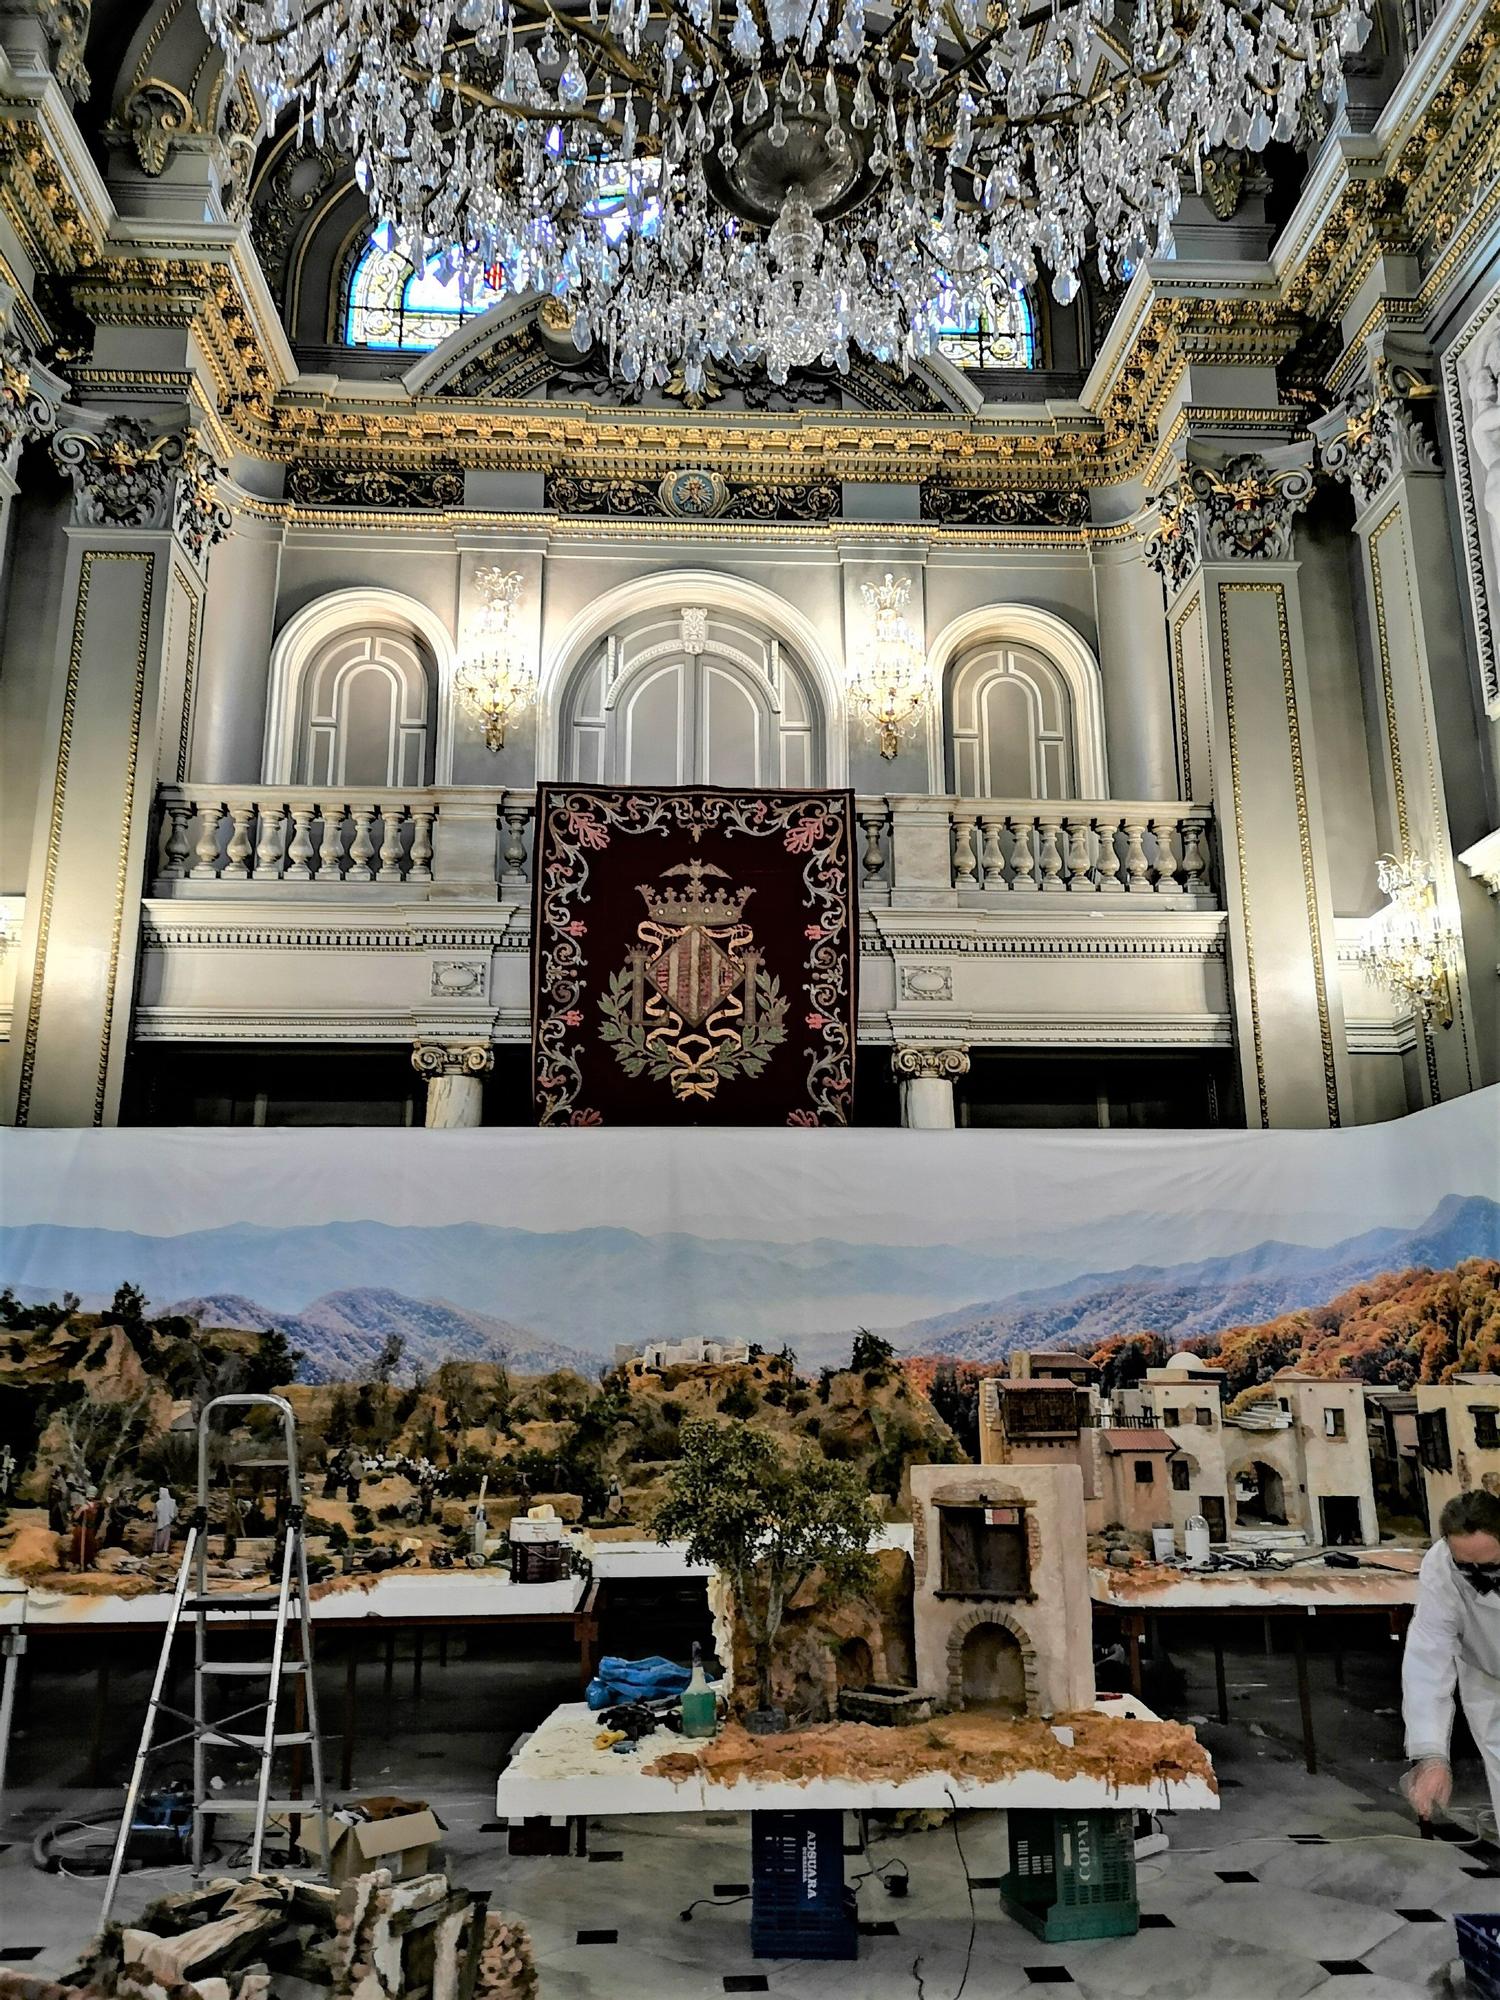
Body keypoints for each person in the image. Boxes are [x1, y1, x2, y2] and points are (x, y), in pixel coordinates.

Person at [1403, 1488, 1500, 1832]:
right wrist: (1431, 1757)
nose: (1477, 1578)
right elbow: (1428, 1659)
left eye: (1489, 1568)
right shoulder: (1440, 1568)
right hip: (1487, 1675)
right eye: (1465, 1566)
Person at [152, 1485, 178, 1555]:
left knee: (159, 1537)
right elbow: (175, 1513)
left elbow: (154, 1516)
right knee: (166, 1537)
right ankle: (164, 1549)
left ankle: (157, 1550)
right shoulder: (172, 1502)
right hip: (168, 1522)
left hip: (160, 1523)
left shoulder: (158, 1503)